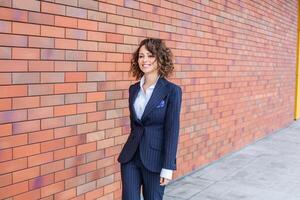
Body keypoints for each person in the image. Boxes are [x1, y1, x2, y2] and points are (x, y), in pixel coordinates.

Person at [118, 38, 182, 200]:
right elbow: (136, 126)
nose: (144, 60)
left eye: (150, 55)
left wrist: (168, 166)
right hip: (131, 157)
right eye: (141, 56)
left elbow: (172, 130)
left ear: (160, 58)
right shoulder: (133, 90)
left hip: (155, 160)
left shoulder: (172, 91)